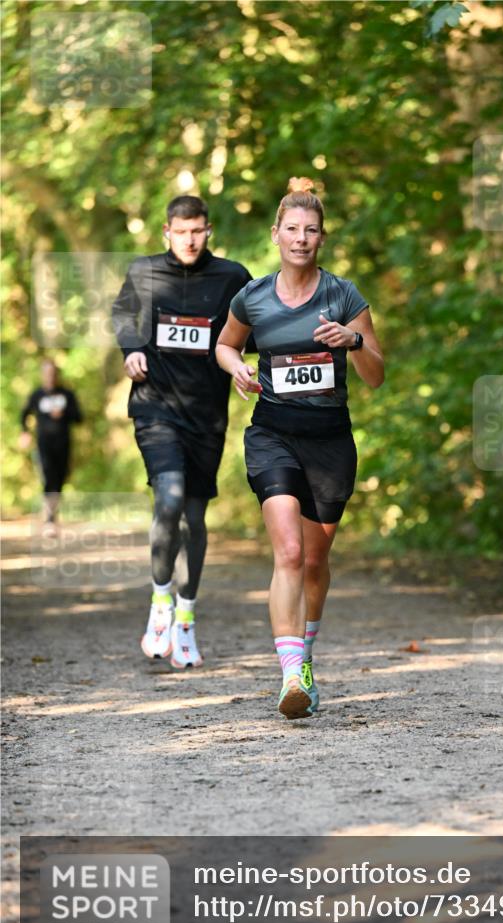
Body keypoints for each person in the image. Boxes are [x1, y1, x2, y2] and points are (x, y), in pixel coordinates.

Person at [216, 177, 384, 719]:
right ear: (276, 235)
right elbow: (224, 343)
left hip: (330, 440)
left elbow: (377, 375)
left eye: (311, 230)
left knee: (315, 560)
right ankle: (291, 674)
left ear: (321, 238)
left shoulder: (343, 295)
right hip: (272, 434)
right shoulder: (254, 295)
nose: (301, 238)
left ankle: (303, 655)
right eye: (292, 229)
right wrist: (237, 367)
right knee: (287, 551)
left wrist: (354, 341)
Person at [112, 195, 251, 670]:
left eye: (198, 231)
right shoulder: (144, 271)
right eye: (181, 231)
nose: (189, 239)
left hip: (207, 416)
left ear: (208, 231)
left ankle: (186, 619)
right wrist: (131, 348)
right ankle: (160, 601)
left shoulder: (233, 277)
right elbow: (121, 314)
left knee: (194, 516)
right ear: (166, 232)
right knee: (168, 500)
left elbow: (257, 328)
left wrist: (248, 367)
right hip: (155, 407)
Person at [19, 359, 83, 533]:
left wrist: (64, 413)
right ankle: (49, 519)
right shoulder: (37, 395)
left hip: (63, 444)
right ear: (42, 375)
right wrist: (24, 433)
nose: (50, 377)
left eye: (53, 373)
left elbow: (79, 418)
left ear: (57, 375)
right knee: (48, 477)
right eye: (47, 373)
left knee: (60, 479)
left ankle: (52, 514)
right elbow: (24, 414)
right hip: (43, 444)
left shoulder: (67, 395)